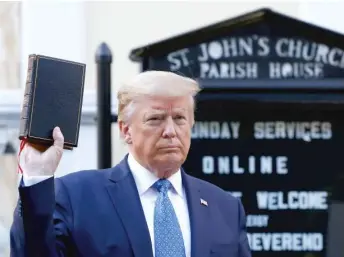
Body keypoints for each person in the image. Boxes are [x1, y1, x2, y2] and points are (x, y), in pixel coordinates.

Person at [10, 71, 252, 257]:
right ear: (126, 130)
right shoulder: (76, 198)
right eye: (155, 119)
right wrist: (37, 177)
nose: (170, 131)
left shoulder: (226, 209)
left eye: (179, 118)